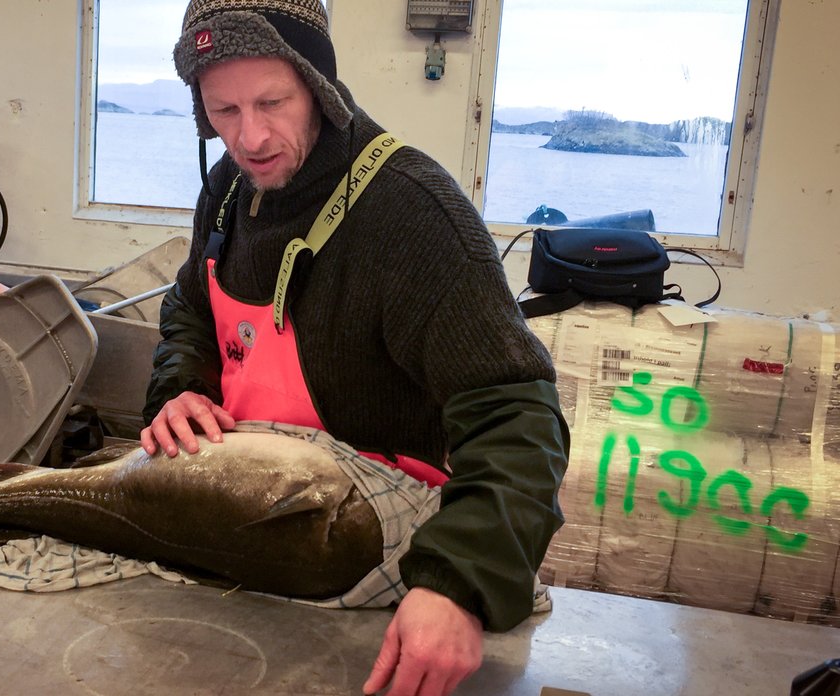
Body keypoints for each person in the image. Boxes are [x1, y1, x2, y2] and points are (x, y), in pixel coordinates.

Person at [140, 1, 570, 694]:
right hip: (244, 542)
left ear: (319, 83)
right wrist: (180, 386)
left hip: (375, 571)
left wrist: (460, 582)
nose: (249, 137)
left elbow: (519, 416)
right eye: (223, 112)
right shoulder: (226, 192)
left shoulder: (412, 213)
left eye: (272, 102)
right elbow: (188, 306)